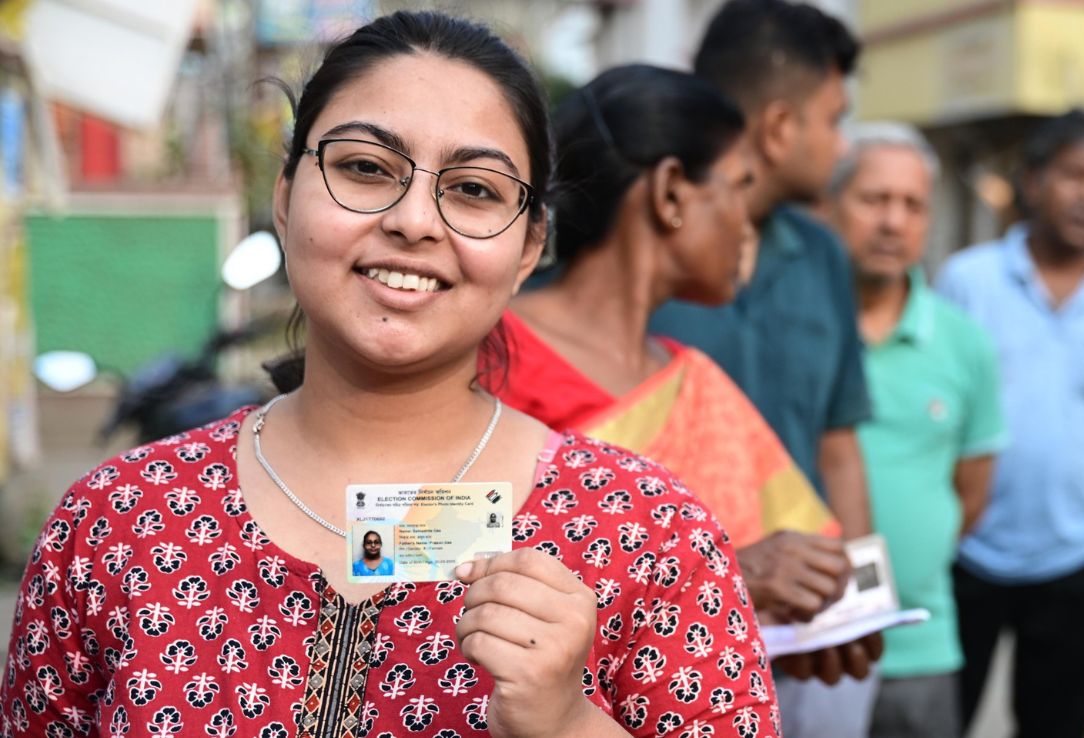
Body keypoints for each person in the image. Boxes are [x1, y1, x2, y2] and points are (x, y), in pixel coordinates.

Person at [0, 11, 782, 737]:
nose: (413, 220)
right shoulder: (119, 523)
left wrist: (572, 720)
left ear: (530, 247)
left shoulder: (647, 536)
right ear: (285, 197)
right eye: (367, 168)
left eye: (474, 190)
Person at [489, 65, 857, 637]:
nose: (745, 225)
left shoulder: (692, 379)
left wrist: (797, 614)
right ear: (670, 193)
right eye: (738, 186)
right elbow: (401, 549)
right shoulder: (489, 356)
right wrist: (730, 573)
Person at [647, 2, 881, 735]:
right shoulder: (642, 252)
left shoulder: (821, 256)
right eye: (834, 119)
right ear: (780, 127)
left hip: (807, 638)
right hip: (660, 630)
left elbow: (838, 443)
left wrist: (861, 601)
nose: (843, 146)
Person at [937, 109, 1084, 738]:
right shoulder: (970, 280)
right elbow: (932, 410)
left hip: (1080, 559)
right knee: (943, 721)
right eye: (1074, 175)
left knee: (1058, 726)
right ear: (1033, 180)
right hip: (967, 553)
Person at [819, 123, 1006, 738]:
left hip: (924, 644)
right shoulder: (795, 328)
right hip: (804, 644)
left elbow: (970, 493)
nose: (893, 222)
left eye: (912, 205)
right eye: (874, 200)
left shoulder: (964, 341)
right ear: (832, 205)